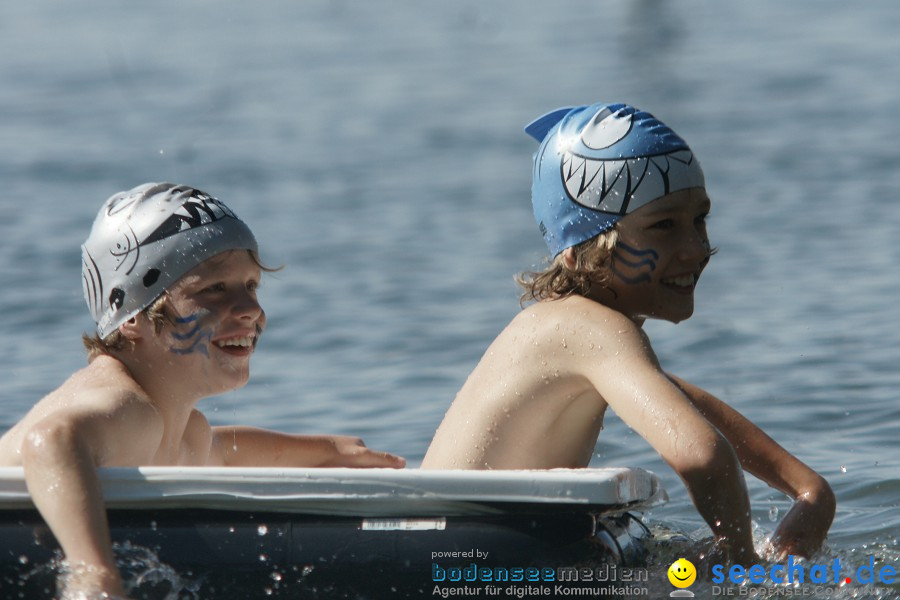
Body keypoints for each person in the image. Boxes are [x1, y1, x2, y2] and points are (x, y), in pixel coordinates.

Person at [422, 103, 835, 564]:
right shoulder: (591, 328)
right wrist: (740, 568)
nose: (696, 248)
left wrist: (810, 490)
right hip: (460, 561)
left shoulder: (570, 326)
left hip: (456, 545)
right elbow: (702, 456)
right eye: (663, 226)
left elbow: (685, 403)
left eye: (700, 219)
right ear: (579, 250)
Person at [0, 182, 405, 599]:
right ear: (133, 316)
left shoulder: (175, 426)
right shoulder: (126, 405)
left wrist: (326, 451)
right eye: (214, 289)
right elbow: (51, 440)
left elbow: (223, 453)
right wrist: (94, 576)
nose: (251, 309)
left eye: (251, 286)